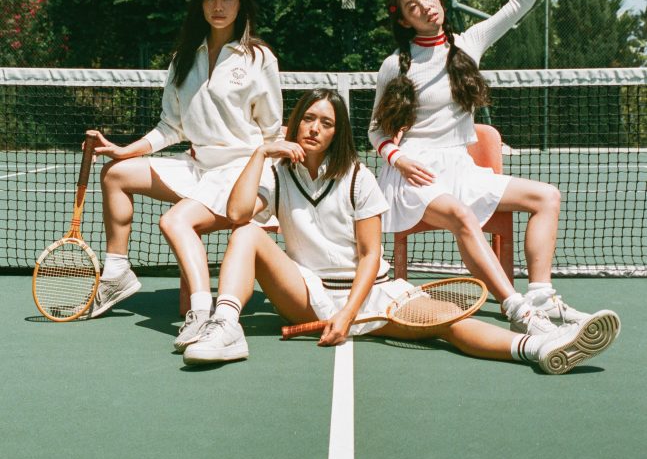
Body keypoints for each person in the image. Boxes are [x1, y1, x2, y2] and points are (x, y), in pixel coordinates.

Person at [182, 88, 620, 373]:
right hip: (307, 293)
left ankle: (539, 348)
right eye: (308, 119)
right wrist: (261, 152)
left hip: (371, 292)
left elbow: (371, 257)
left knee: (449, 323)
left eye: (326, 123)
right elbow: (238, 214)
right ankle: (226, 327)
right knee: (247, 234)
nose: (314, 128)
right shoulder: (278, 174)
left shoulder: (358, 179)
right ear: (295, 123)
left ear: (337, 133)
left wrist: (348, 315)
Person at [369, 0, 598, 334]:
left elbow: (517, 5)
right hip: (414, 175)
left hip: (461, 169)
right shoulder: (394, 65)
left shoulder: (469, 43)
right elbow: (375, 131)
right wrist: (398, 160)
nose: (425, 6)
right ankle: (518, 311)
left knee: (547, 196)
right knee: (461, 216)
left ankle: (541, 297)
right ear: (403, 20)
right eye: (412, 6)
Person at [85, 0, 282, 326]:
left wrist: (270, 193)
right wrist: (124, 150)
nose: (218, 6)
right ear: (200, 5)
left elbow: (270, 133)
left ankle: (201, 310)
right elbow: (170, 127)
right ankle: (117, 274)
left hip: (241, 173)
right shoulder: (183, 59)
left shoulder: (259, 58)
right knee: (115, 174)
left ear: (240, 5)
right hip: (197, 167)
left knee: (176, 220)